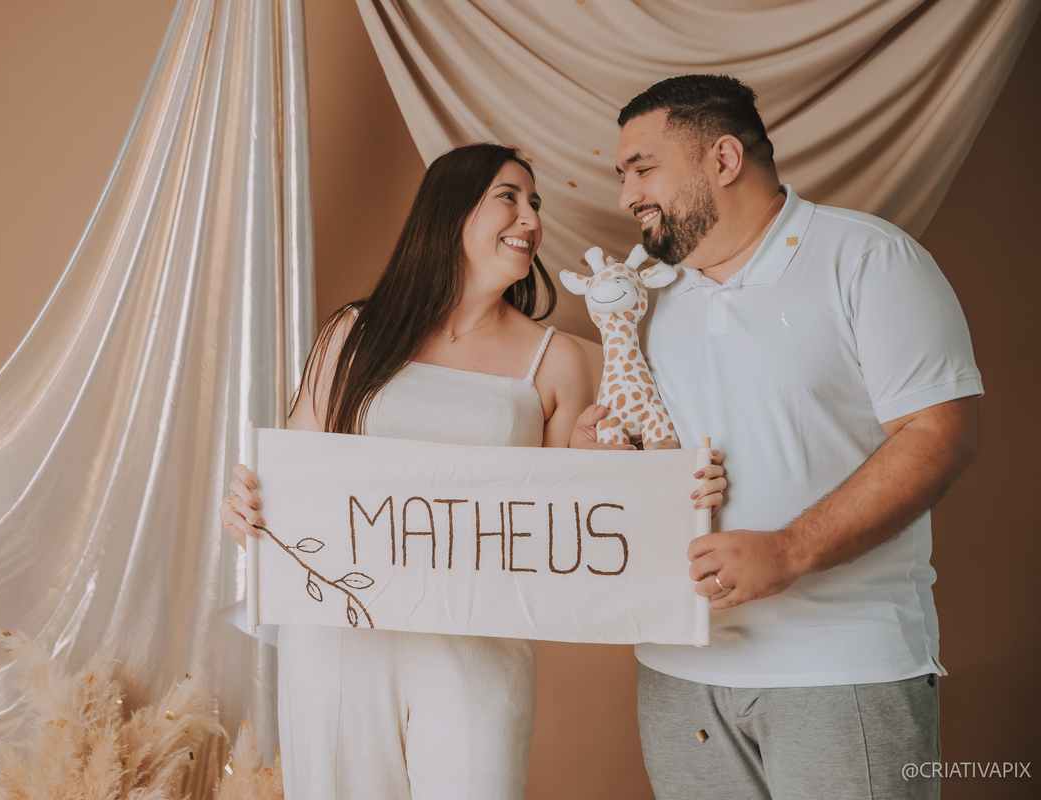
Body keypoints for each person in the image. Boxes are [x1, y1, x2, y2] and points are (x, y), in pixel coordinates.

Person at [219, 141, 728, 799]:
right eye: (508, 198)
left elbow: (559, 522)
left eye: (535, 203)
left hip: (477, 645)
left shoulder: (557, 359)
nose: (531, 219)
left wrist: (611, 474)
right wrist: (250, 509)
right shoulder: (351, 333)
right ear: (450, 212)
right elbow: (300, 479)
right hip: (337, 638)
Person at [572, 74, 981, 799]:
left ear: (724, 159)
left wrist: (790, 550)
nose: (628, 194)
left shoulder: (868, 259)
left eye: (643, 168)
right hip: (678, 668)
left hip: (840, 664)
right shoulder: (653, 300)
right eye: (622, 175)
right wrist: (606, 459)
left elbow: (939, 434)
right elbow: (659, 449)